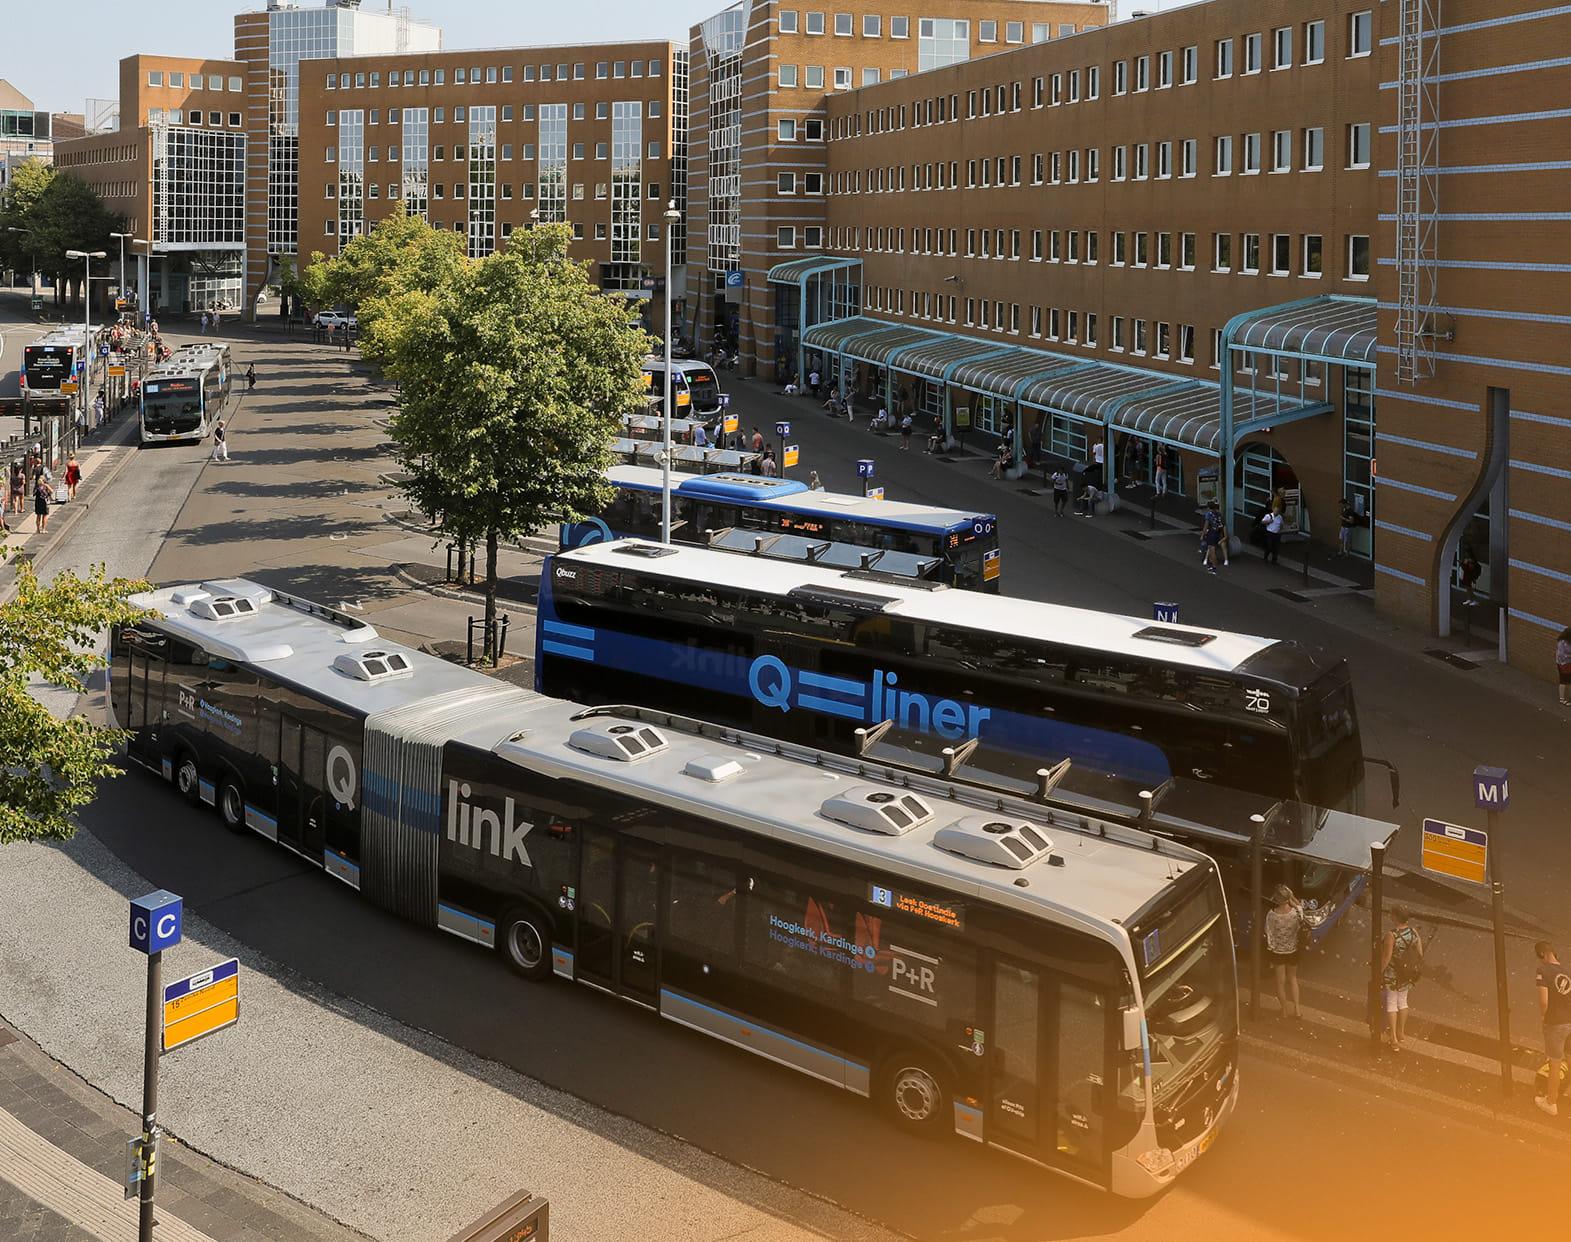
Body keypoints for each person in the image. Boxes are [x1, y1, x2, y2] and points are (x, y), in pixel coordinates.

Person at [1534, 941, 1571, 1117]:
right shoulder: (1567, 971)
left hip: (1555, 1024)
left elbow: (1543, 1001)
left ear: (1542, 954)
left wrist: (1544, 1018)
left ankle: (1551, 1102)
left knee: (1555, 1064)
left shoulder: (1543, 971)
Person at [1380, 905, 1423, 1052]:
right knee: (1403, 1002)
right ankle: (1401, 1032)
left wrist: (1379, 972)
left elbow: (1387, 957)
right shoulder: (1413, 932)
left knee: (1391, 1004)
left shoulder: (1391, 935)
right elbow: (1419, 953)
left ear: (1395, 917)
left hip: (1393, 974)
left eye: (1391, 914)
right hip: (1407, 974)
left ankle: (1393, 1037)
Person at [1264, 885, 1306, 1019]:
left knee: (1280, 982)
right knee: (1293, 979)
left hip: (1278, 952)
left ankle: (1284, 1010)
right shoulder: (1296, 913)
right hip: (1293, 950)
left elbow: (1267, 932)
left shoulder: (1272, 914)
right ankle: (1297, 1010)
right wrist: (1291, 896)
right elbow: (1299, 905)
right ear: (1288, 898)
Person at [1557, 626, 1571, 707]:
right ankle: (1562, 698)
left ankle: (1562, 698)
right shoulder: (1562, 643)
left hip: (1564, 663)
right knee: (1563, 681)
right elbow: (1562, 655)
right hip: (1564, 664)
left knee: (1564, 681)